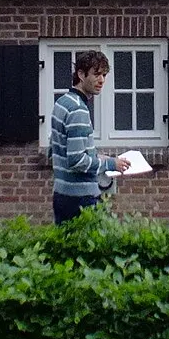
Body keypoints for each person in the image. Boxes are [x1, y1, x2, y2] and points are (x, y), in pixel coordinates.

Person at [50, 49, 122, 223]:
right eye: (96, 74)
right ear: (81, 74)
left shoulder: (62, 102)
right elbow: (76, 161)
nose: (102, 80)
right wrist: (111, 163)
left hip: (61, 194)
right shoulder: (78, 109)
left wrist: (96, 156)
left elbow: (58, 148)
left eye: (104, 75)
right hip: (80, 200)